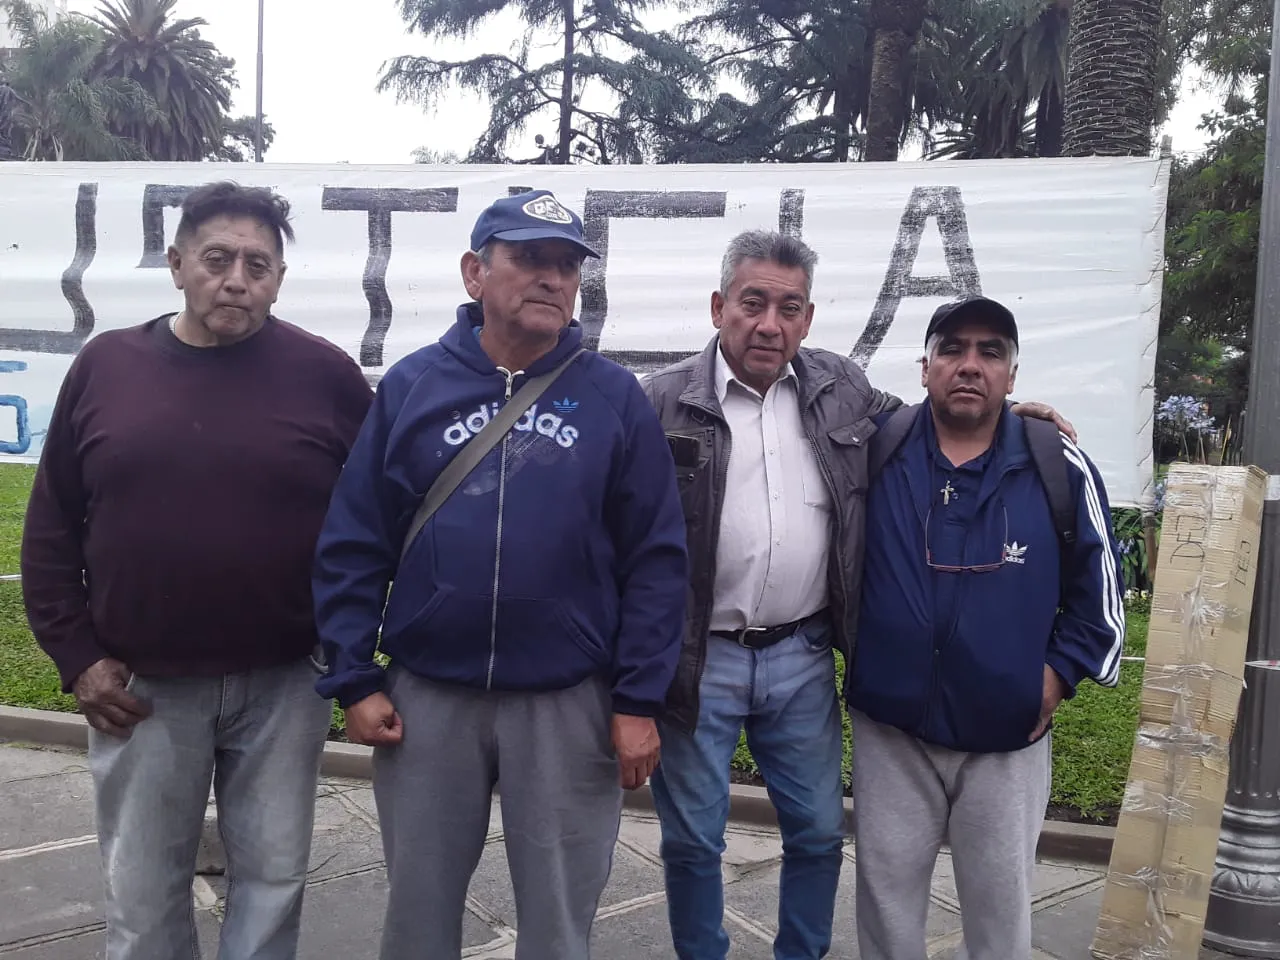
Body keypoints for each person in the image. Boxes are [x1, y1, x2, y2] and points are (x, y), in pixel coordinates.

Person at [640, 231, 1072, 960]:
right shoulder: (657, 403)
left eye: (789, 307)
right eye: (752, 303)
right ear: (719, 307)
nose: (769, 323)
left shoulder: (841, 388)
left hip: (801, 655)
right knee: (691, 839)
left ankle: (800, 954)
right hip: (699, 661)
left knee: (815, 831)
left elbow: (937, 417)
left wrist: (1014, 416)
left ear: (807, 320)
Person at [310, 189, 688, 960]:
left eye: (566, 265)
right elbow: (354, 540)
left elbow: (656, 558)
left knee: (558, 922)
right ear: (475, 272)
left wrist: (638, 698)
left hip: (565, 703)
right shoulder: (413, 387)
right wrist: (354, 676)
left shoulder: (613, 398)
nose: (552, 278)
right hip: (428, 701)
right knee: (417, 915)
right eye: (530, 258)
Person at [20, 181, 374, 960]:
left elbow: (376, 524)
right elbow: (49, 525)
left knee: (274, 884)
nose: (237, 278)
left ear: (279, 278)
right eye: (218, 259)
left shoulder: (327, 377)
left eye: (258, 263)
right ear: (177, 263)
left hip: (287, 682)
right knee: (143, 896)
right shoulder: (107, 366)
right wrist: (76, 658)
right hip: (142, 690)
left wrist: (352, 652)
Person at [846, 296, 1125, 960]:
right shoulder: (875, 449)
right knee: (886, 910)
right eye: (952, 349)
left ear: (1012, 375)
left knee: (999, 919)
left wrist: (1055, 678)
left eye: (990, 352)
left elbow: (1102, 601)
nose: (969, 365)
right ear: (924, 368)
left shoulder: (1055, 463)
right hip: (891, 733)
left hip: (1007, 741)